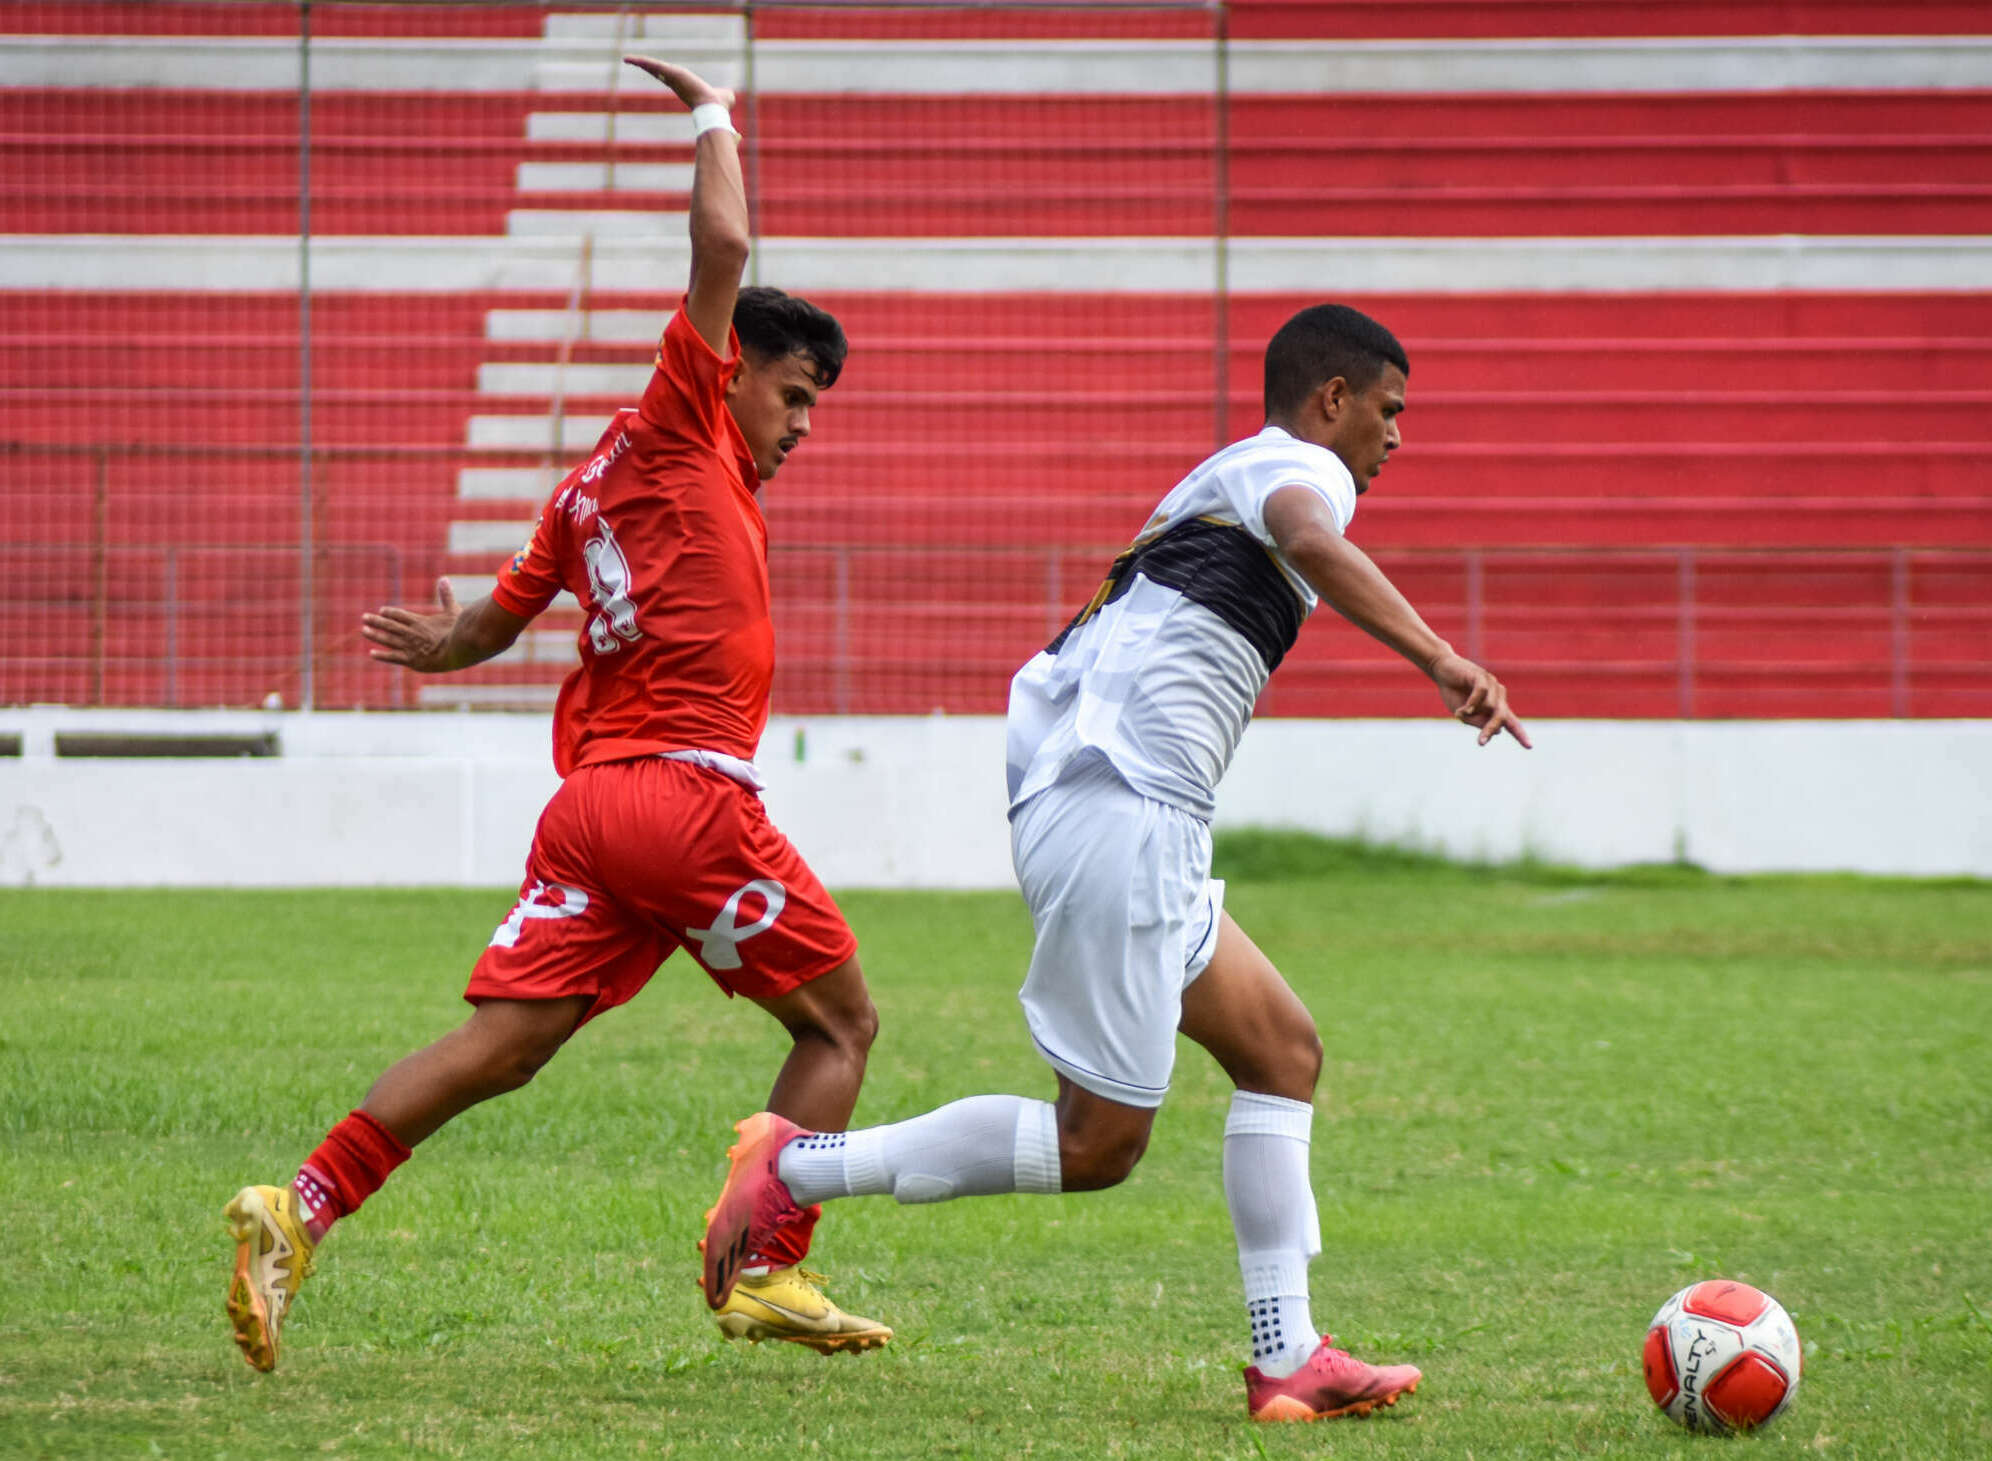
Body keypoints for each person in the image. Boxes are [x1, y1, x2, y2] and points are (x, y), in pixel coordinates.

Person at [699, 303, 1531, 1421]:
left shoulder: (1227, 474)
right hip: (1121, 807)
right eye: (1390, 412)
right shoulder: (1297, 468)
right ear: (1333, 400)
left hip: (1130, 809)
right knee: (1097, 1146)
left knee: (1282, 1049)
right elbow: (1310, 536)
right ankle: (794, 1170)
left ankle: (1291, 1359)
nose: (1397, 438)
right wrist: (1440, 656)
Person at [223, 56, 893, 1372]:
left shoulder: (587, 487)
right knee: (842, 1025)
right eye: (795, 391)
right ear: (733, 367)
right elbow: (729, 240)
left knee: (507, 1044)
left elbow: (489, 628)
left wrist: (444, 638)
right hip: (684, 797)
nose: (803, 423)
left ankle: (291, 1210)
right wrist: (713, 112)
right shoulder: (679, 419)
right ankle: (766, 1263)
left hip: (591, 813)